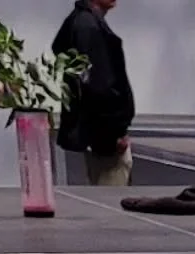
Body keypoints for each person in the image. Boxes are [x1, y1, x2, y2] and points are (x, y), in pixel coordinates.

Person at [53, 0, 136, 186]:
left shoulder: (80, 22)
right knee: (112, 194)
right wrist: (115, 133)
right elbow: (99, 85)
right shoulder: (88, 27)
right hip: (105, 139)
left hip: (98, 134)